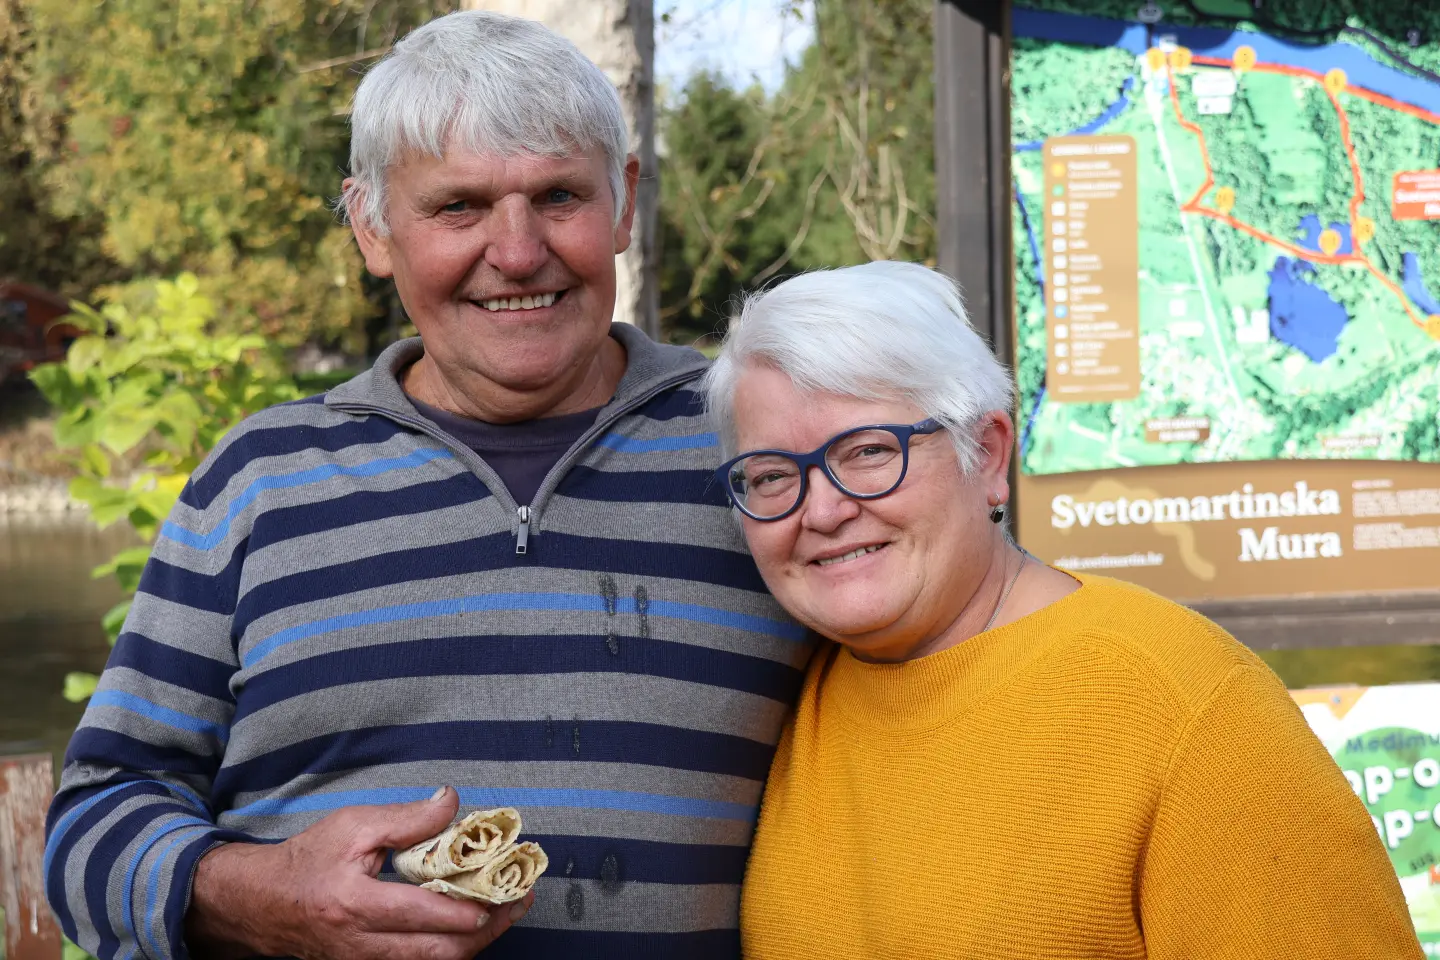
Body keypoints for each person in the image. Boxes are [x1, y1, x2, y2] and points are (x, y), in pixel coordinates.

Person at [43, 11, 808, 960]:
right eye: (459, 208)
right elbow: (89, 824)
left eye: (560, 196)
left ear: (624, 203)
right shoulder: (258, 484)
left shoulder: (761, 451)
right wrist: (253, 892)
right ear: (372, 227)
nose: (519, 252)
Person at [700, 260, 1424, 959]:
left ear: (985, 455)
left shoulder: (1189, 706)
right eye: (770, 475)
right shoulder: (773, 703)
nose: (821, 509)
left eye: (866, 452)